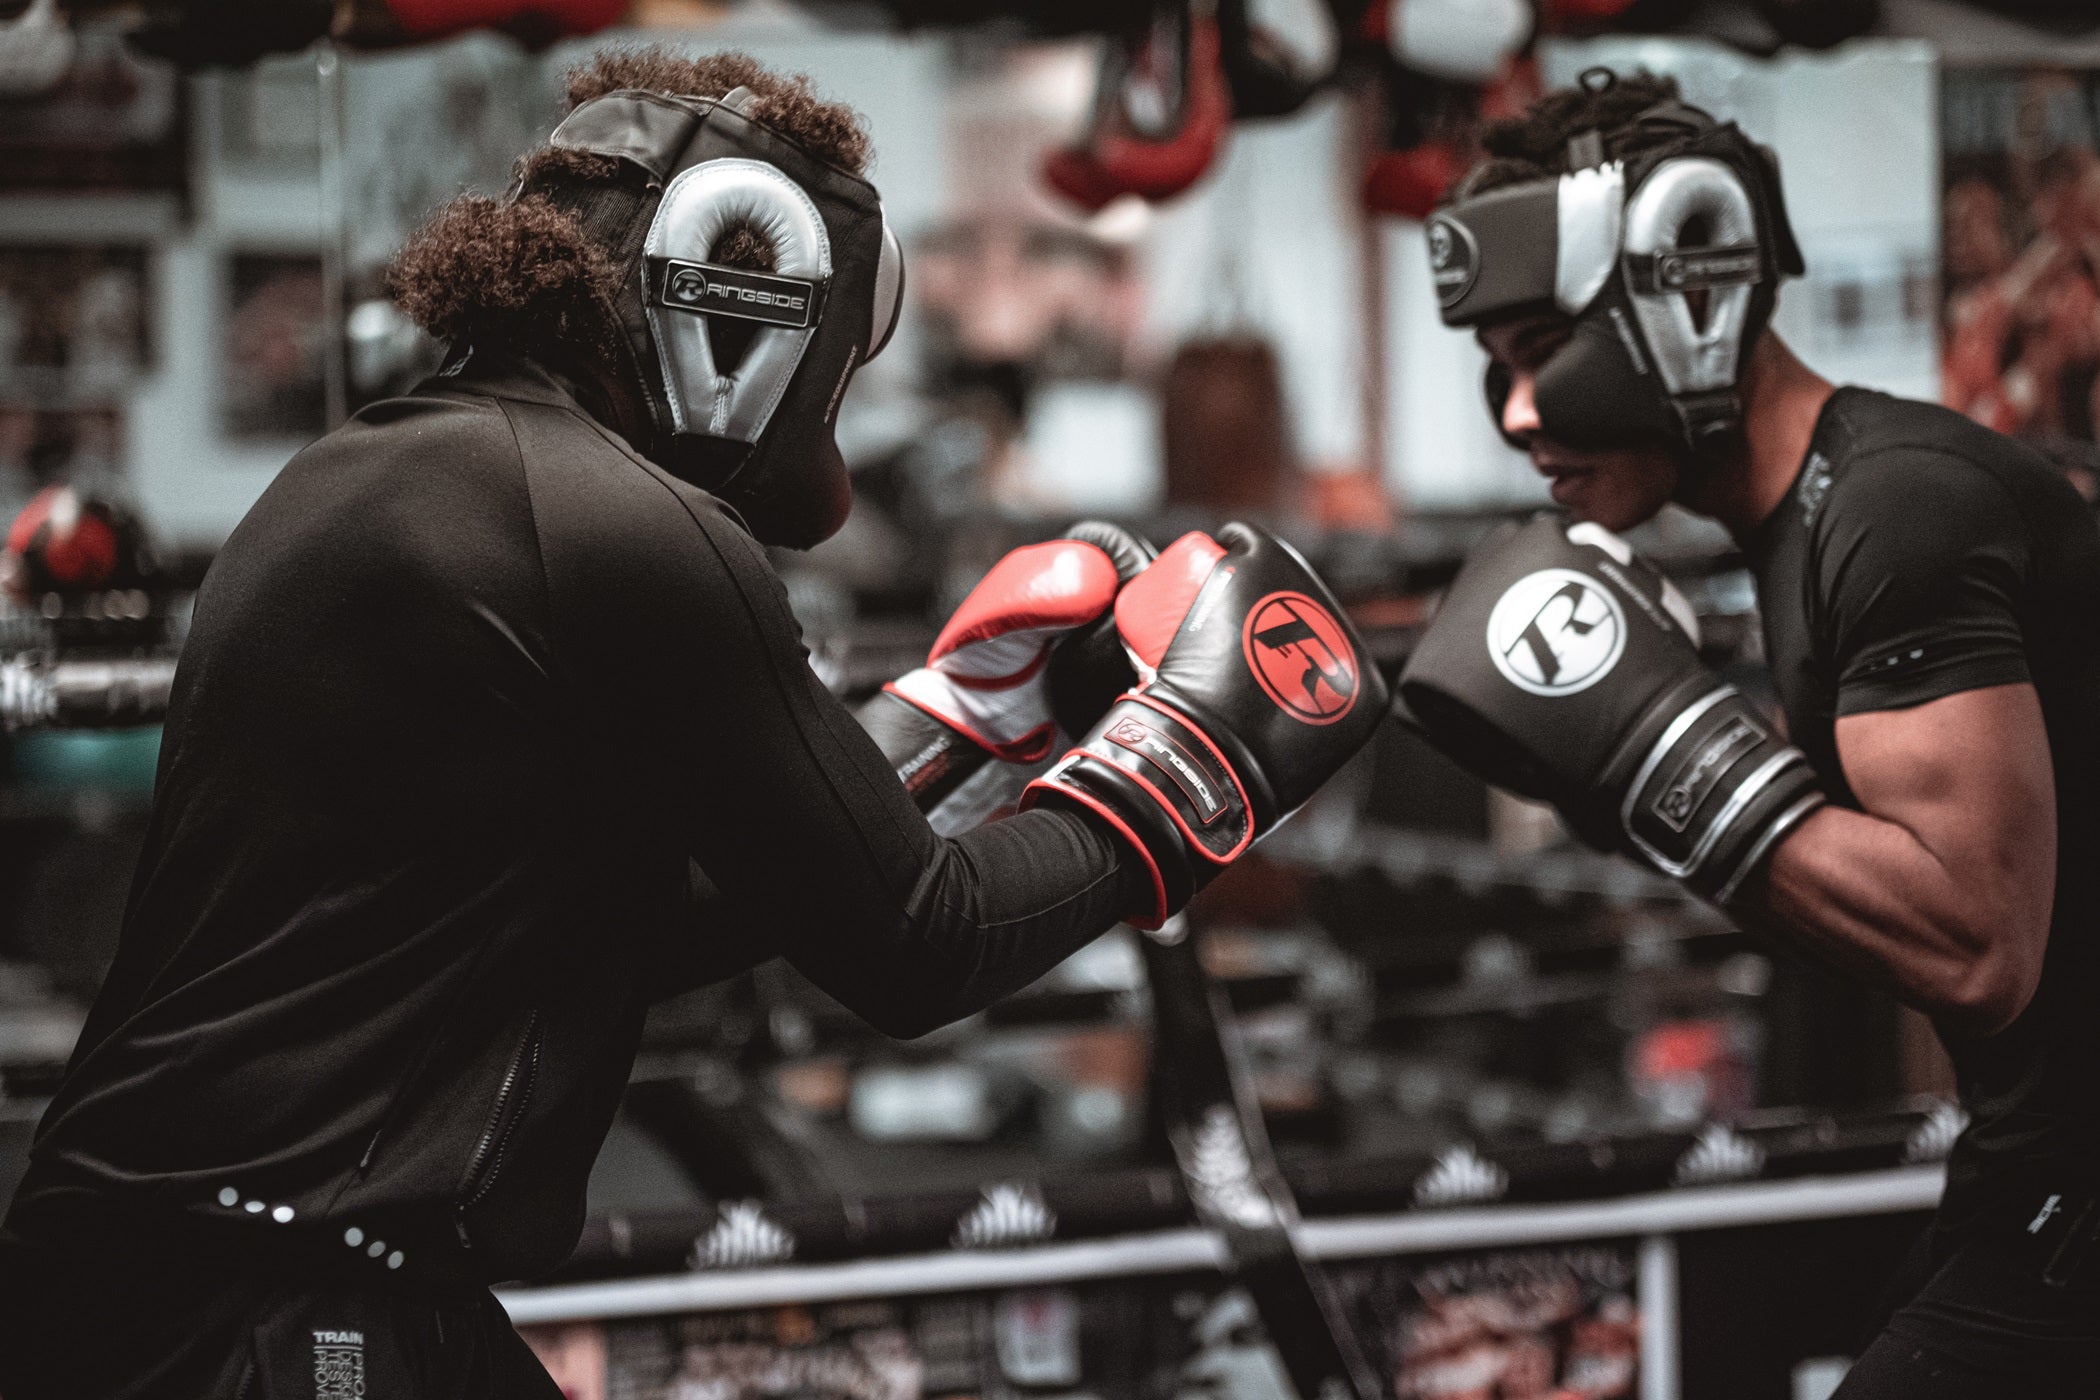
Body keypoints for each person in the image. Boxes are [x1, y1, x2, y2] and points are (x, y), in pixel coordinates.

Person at [0, 48, 1386, 1399]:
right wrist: (1202, 753)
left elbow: (623, 928)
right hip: (269, 1303)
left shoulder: (389, 474)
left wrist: (966, 719)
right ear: (746, 322)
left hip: (192, 1272)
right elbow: (919, 950)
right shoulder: (624, 527)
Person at [1398, 70, 2100, 1395]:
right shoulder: (1811, 524)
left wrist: (1654, 745)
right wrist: (1639, 784)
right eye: (1499, 370)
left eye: (1543, 353)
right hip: (2034, 1165)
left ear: (1687, 296)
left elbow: (1975, 942)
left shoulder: (1899, 513)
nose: (1518, 417)